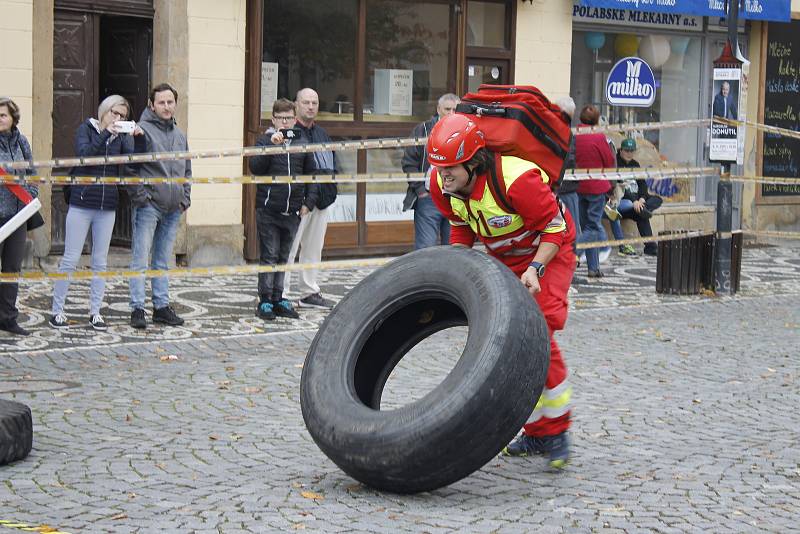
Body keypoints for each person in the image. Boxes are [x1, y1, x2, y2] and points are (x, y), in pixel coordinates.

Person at [427, 113, 576, 469]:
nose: (442, 176)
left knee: (538, 331)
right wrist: (458, 271)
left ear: (474, 162)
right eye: (438, 168)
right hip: (507, 257)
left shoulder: (517, 180)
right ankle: (535, 431)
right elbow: (462, 226)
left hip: (549, 253)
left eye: (450, 169)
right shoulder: (441, 186)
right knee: (509, 338)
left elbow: (553, 228)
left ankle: (556, 430)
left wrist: (536, 269)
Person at [50, 95, 137, 330]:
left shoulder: (119, 136)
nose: (117, 118)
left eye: (123, 116)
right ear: (104, 111)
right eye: (114, 113)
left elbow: (128, 162)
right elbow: (86, 156)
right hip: (82, 202)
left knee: (100, 261)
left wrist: (131, 136)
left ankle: (95, 311)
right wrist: (106, 134)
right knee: (70, 258)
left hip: (107, 205)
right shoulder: (85, 130)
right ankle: (57, 310)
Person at [128, 83, 191, 330]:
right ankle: (137, 308)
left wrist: (185, 198)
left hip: (173, 207)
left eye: (170, 102)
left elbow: (187, 168)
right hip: (149, 206)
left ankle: (161, 307)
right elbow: (131, 168)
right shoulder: (141, 131)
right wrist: (142, 197)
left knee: (163, 260)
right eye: (161, 102)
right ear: (152, 105)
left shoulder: (179, 134)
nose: (166, 107)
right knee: (140, 259)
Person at [249, 98, 319, 321]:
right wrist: (272, 146)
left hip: (293, 212)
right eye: (281, 118)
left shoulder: (302, 142)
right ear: (274, 119)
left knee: (284, 257)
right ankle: (265, 300)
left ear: (294, 119)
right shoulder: (264, 141)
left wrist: (308, 203)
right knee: (269, 256)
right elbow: (255, 169)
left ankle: (280, 298)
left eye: (289, 118)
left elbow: (312, 174)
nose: (286, 122)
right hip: (269, 210)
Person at [284, 88, 337, 309]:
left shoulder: (322, 134)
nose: (311, 106)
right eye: (306, 102)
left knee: (313, 249)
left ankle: (308, 292)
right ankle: (282, 294)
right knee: (288, 249)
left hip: (322, 200)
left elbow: (331, 164)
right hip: (299, 202)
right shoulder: (290, 134)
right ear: (296, 105)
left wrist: (332, 190)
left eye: (314, 102)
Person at [401, 93, 460, 249]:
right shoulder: (424, 130)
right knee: (425, 249)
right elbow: (409, 162)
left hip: (457, 199)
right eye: (448, 109)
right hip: (429, 197)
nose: (452, 113)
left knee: (455, 249)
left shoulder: (465, 129)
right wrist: (420, 191)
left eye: (456, 109)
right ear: (438, 109)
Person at [0, 97, 38, 336]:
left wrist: (30, 199)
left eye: (3, 115)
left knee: (11, 269)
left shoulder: (21, 141)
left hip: (17, 215)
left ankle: (7, 318)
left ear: (13, 118)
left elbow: (32, 173)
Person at [574, 105, 614, 279]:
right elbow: (610, 161)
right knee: (594, 227)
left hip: (577, 186)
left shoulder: (574, 135)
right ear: (597, 120)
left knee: (587, 226)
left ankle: (593, 267)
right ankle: (572, 249)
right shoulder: (598, 137)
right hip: (596, 187)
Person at [615, 138, 662, 256]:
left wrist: (642, 199)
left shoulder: (635, 164)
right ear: (621, 150)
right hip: (623, 201)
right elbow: (618, 187)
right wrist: (634, 201)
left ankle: (643, 209)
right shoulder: (615, 163)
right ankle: (651, 246)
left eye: (632, 151)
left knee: (657, 199)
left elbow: (642, 185)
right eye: (627, 151)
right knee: (639, 211)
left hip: (637, 201)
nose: (629, 153)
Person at [553, 96, 580, 260]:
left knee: (569, 230)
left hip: (564, 188)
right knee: (566, 230)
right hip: (561, 188)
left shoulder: (564, 131)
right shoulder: (562, 130)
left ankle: (569, 264)